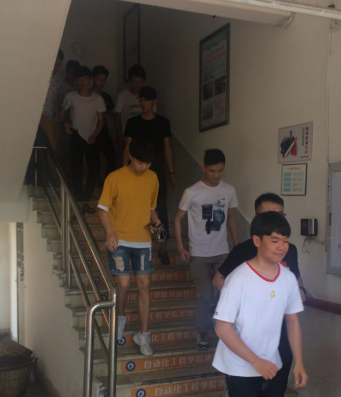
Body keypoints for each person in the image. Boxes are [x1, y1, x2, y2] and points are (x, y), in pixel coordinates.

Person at [197, 211, 308, 397]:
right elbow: (222, 327)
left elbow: (293, 321)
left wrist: (299, 361)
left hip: (272, 365)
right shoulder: (239, 279)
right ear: (257, 241)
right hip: (240, 366)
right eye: (275, 240)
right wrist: (255, 361)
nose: (281, 246)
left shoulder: (287, 278)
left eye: (285, 240)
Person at [97, 138, 161, 357]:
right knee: (123, 284)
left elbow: (151, 208)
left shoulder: (153, 178)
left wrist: (156, 222)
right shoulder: (115, 178)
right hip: (120, 240)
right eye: (141, 162)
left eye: (148, 163)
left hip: (143, 240)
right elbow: (102, 209)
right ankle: (120, 318)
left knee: (145, 284)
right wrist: (110, 232)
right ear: (131, 156)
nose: (144, 167)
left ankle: (144, 334)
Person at [174, 149, 238, 350]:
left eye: (220, 170)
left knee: (224, 293)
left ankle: (219, 328)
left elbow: (231, 219)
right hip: (199, 253)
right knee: (206, 295)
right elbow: (177, 219)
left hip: (222, 252)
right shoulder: (192, 192)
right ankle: (201, 332)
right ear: (203, 168)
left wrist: (236, 246)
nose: (216, 175)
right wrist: (180, 246)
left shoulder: (229, 191)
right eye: (212, 171)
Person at [123, 86, 175, 264]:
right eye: (140, 100)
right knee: (135, 207)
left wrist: (171, 172)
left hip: (157, 170)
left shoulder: (163, 122)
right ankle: (135, 245)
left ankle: (163, 247)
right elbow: (127, 147)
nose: (142, 103)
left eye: (145, 100)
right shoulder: (133, 123)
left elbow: (167, 148)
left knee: (160, 207)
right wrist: (123, 170)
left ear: (154, 102)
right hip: (135, 172)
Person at [61, 67, 106, 213]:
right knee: (77, 168)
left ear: (90, 80)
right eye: (80, 79)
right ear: (76, 81)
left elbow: (101, 121)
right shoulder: (70, 96)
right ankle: (80, 200)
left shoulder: (98, 99)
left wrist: (94, 135)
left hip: (92, 136)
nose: (83, 82)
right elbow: (62, 113)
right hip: (76, 135)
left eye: (85, 79)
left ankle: (85, 198)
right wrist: (66, 123)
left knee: (94, 168)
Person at [91, 65, 118, 181]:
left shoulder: (106, 97)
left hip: (103, 131)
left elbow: (111, 112)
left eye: (104, 80)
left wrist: (112, 116)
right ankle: (96, 185)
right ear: (93, 78)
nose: (101, 83)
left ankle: (107, 184)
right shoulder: (87, 94)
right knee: (94, 161)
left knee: (112, 158)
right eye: (99, 79)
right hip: (89, 131)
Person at [114, 64, 150, 151]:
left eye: (140, 82)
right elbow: (117, 117)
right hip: (127, 138)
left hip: (145, 138)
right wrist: (119, 137)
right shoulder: (122, 95)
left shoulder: (149, 95)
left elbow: (153, 115)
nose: (137, 85)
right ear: (130, 81)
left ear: (144, 81)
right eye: (134, 82)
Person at [40, 49, 65, 152]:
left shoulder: (60, 80)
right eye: (55, 64)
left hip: (56, 116)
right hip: (44, 114)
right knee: (52, 145)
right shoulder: (42, 76)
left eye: (59, 65)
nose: (56, 67)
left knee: (57, 142)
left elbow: (60, 99)